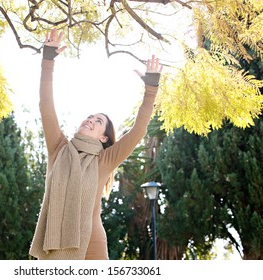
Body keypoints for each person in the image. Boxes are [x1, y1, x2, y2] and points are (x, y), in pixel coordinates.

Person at [29, 29, 163, 260]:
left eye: (98, 121)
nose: (90, 120)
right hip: (54, 246)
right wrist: (47, 60)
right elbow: (46, 105)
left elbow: (138, 130)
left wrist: (150, 89)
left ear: (104, 137)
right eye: (90, 116)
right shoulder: (58, 148)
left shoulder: (105, 159)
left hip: (92, 244)